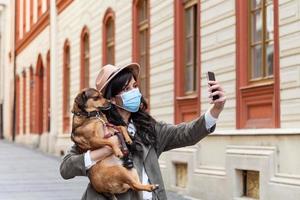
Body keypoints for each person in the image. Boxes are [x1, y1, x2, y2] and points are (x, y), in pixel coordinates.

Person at [60, 63, 226, 200]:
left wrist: (215, 110)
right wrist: (103, 150)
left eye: (135, 86)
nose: (134, 92)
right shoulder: (95, 130)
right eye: (126, 89)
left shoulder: (149, 128)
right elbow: (66, 168)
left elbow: (185, 133)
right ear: (111, 98)